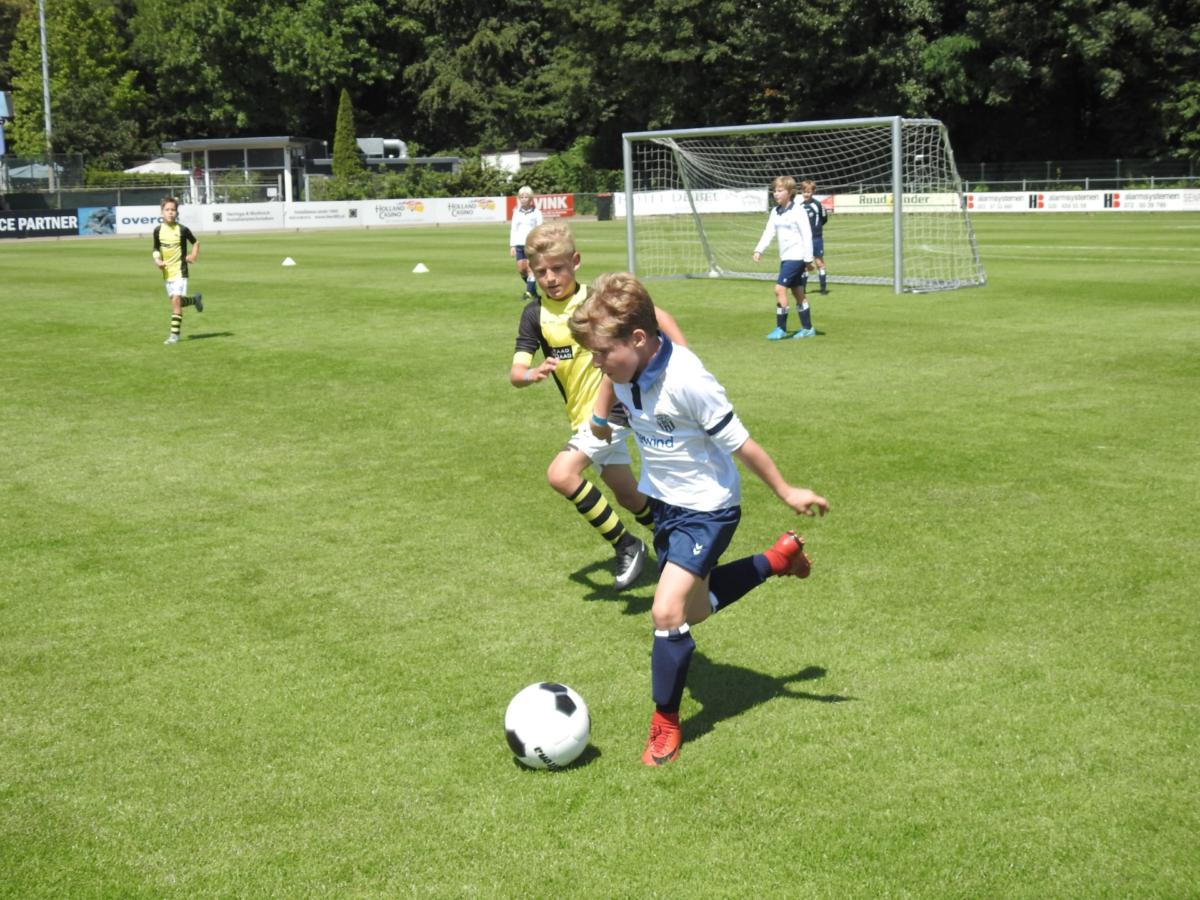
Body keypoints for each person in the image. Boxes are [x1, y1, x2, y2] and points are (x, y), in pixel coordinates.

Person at [568, 272, 830, 766]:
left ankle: (665, 724)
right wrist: (600, 420)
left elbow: (743, 445)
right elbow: (609, 381)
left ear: (638, 340)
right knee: (695, 611)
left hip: (708, 509)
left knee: (666, 613)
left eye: (604, 352)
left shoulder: (689, 380)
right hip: (666, 505)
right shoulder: (624, 368)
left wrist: (786, 489)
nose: (599, 363)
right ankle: (778, 559)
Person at [510, 223, 687, 591]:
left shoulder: (598, 301)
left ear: (575, 262)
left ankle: (627, 545)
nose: (550, 278)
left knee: (561, 474)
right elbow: (515, 372)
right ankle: (679, 543)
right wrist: (532, 373)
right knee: (626, 493)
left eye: (557, 268)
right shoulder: (534, 315)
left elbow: (660, 318)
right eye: (541, 271)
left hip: (615, 410)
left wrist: (685, 361)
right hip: (584, 418)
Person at [752, 176, 815, 340]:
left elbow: (807, 235)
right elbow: (768, 232)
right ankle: (808, 328)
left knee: (779, 289)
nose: (776, 193)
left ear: (790, 192)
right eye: (774, 190)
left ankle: (781, 328)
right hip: (786, 258)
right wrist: (759, 249)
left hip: (797, 257)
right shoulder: (775, 211)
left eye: (780, 190)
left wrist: (808, 259)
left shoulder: (798, 211)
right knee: (798, 292)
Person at [151, 196, 203, 345]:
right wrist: (157, 260)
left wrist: (193, 255)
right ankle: (195, 300)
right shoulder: (157, 230)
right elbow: (155, 248)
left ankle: (174, 335)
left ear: (177, 212)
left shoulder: (182, 230)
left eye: (173, 210)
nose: (170, 212)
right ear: (162, 212)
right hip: (167, 272)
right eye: (167, 210)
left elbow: (195, 242)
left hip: (181, 271)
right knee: (177, 302)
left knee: (175, 301)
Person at [508, 186, 544, 301]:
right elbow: (514, 229)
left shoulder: (536, 213)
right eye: (521, 197)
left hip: (531, 244)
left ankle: (528, 292)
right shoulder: (516, 212)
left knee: (530, 268)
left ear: (531, 198)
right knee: (522, 270)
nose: (523, 199)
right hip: (519, 244)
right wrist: (512, 245)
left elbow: (540, 228)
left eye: (526, 197)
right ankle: (533, 291)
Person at [800, 179, 829, 294]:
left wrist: (816, 229)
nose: (806, 194)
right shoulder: (800, 206)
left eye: (808, 192)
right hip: (804, 240)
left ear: (813, 192)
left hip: (816, 238)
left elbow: (824, 219)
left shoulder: (818, 205)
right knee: (805, 265)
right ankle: (803, 289)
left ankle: (823, 288)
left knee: (819, 263)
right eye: (804, 192)